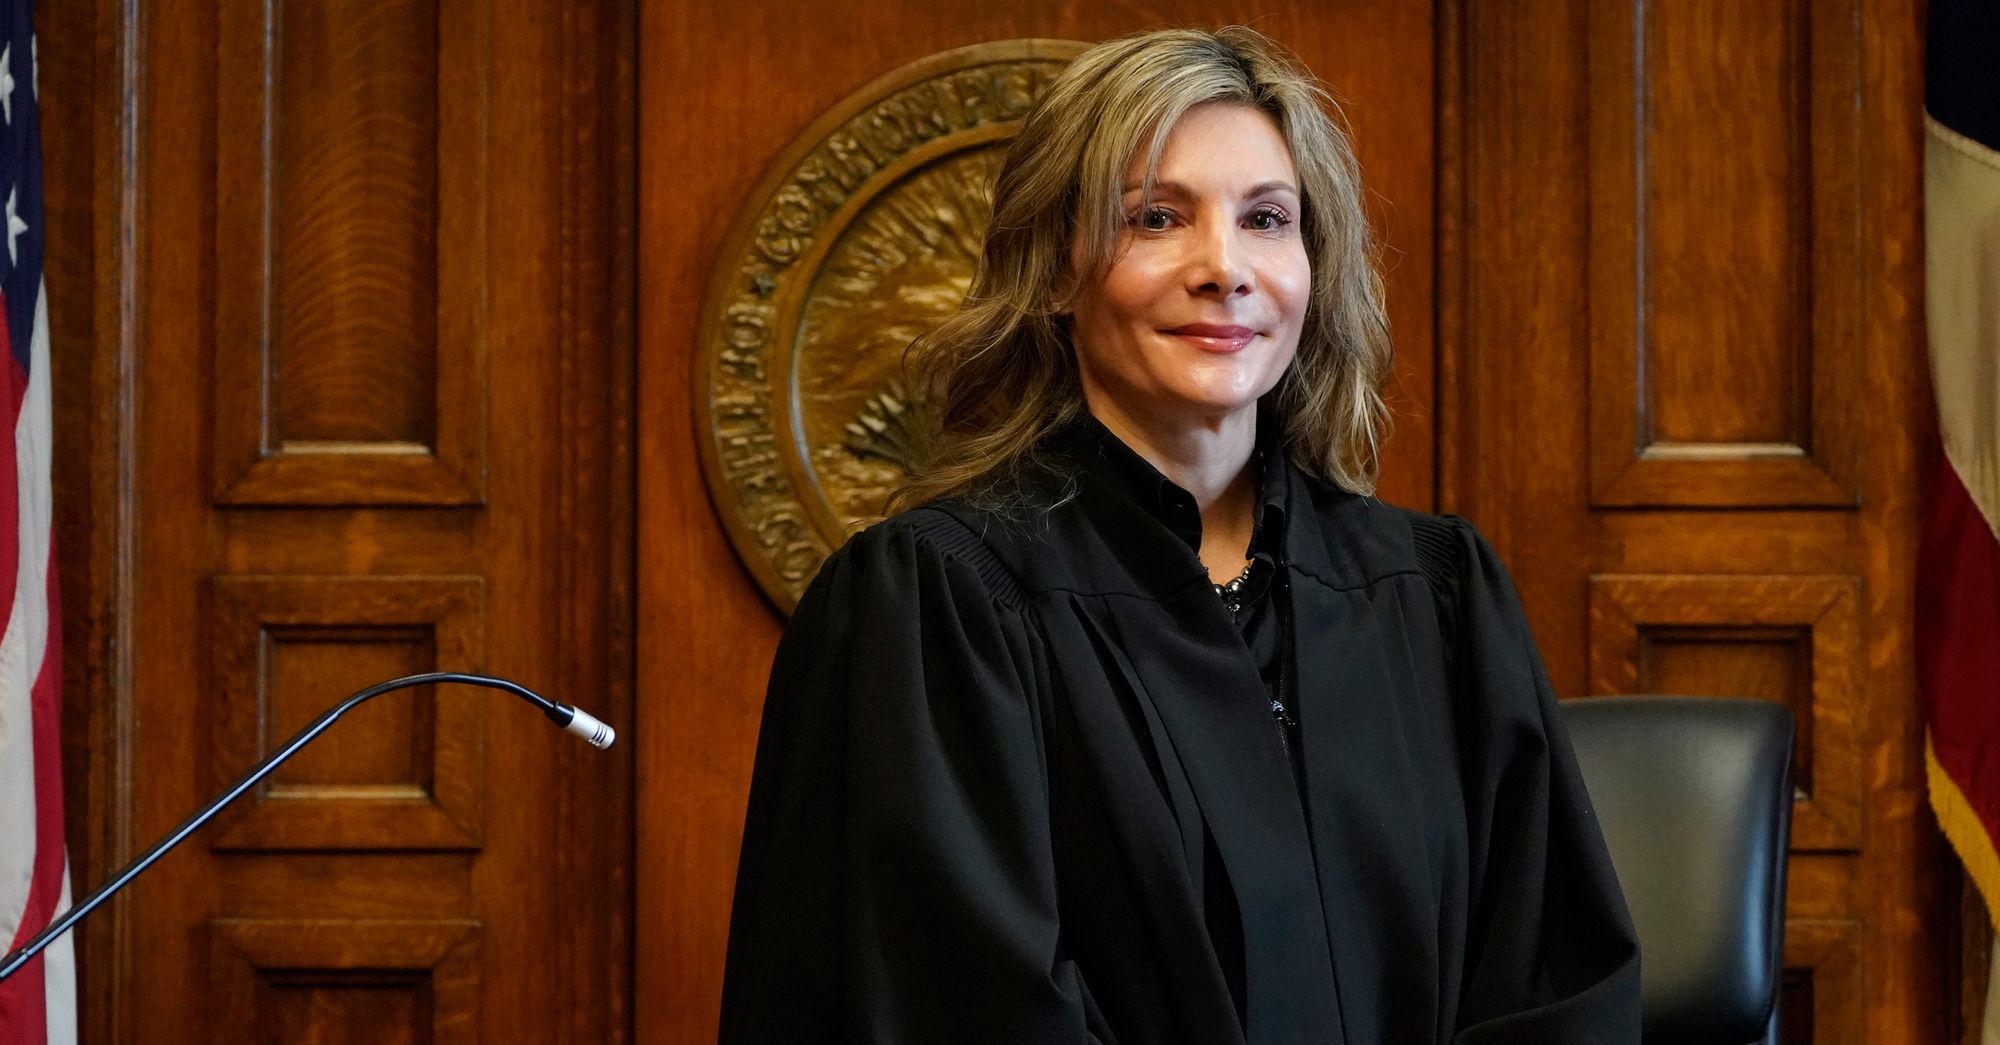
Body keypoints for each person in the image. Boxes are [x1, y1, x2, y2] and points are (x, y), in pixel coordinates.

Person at [720, 26, 1640, 1045]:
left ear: (1309, 269)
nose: (1223, 267)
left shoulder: (1431, 594)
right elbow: (960, 1008)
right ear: (1056, 274)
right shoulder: (941, 605)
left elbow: (1555, 989)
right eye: (1155, 217)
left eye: (1266, 219)